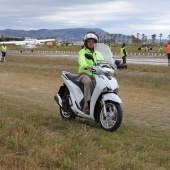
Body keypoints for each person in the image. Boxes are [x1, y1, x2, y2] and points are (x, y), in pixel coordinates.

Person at [78, 33, 104, 114]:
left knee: (105, 84)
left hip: (96, 74)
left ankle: (101, 102)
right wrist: (86, 66)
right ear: (86, 43)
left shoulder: (98, 53)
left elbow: (103, 62)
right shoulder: (82, 52)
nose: (91, 43)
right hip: (84, 73)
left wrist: (109, 69)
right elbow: (81, 61)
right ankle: (86, 104)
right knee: (88, 82)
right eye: (89, 41)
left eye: (93, 41)